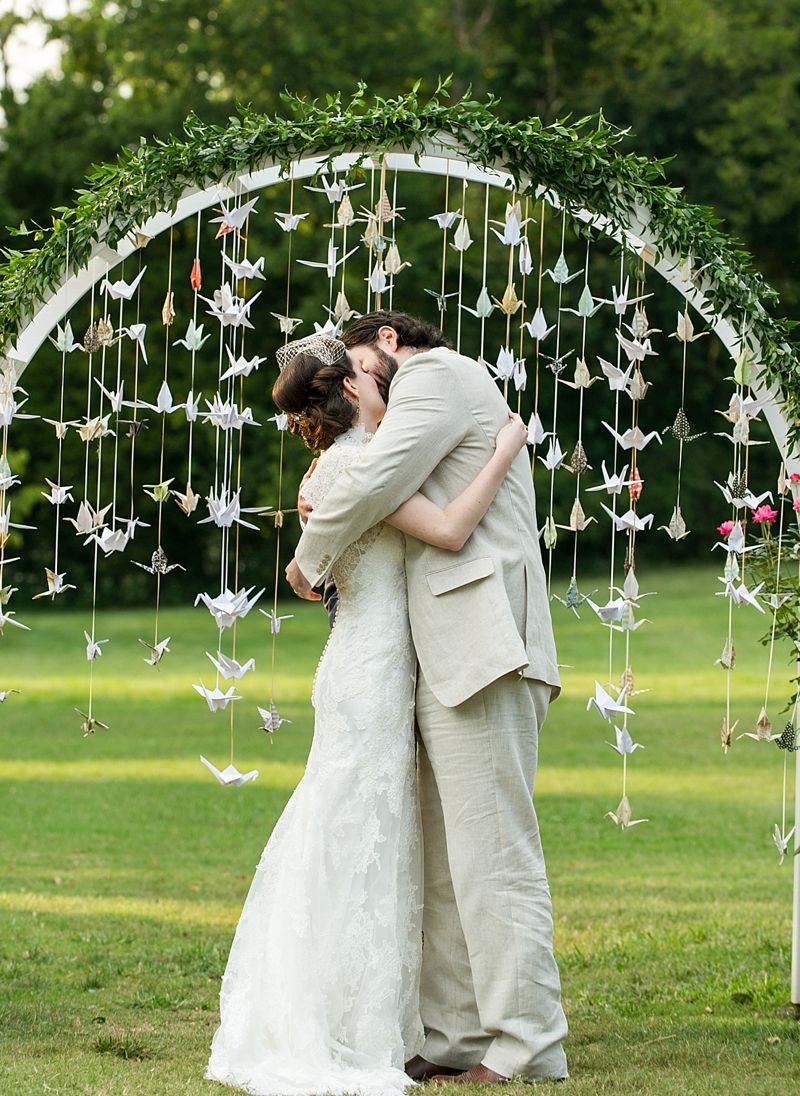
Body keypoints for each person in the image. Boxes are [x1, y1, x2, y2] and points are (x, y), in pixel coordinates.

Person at [205, 332, 531, 1096]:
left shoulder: (343, 466)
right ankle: (337, 1023)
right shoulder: (362, 466)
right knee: (359, 834)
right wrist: (504, 451)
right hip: (370, 673)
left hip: (371, 664)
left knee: (367, 835)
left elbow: (312, 579)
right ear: (351, 390)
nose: (379, 374)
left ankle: (372, 1017)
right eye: (361, 369)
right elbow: (447, 531)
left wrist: (310, 561)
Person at [286, 310, 569, 1087]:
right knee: (449, 864)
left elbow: (379, 481)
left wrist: (307, 564)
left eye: (354, 364)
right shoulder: (410, 394)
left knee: (493, 856)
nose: (351, 383)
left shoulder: (436, 376)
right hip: (436, 652)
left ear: (385, 341)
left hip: (483, 639)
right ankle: (454, 1037)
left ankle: (527, 1044)